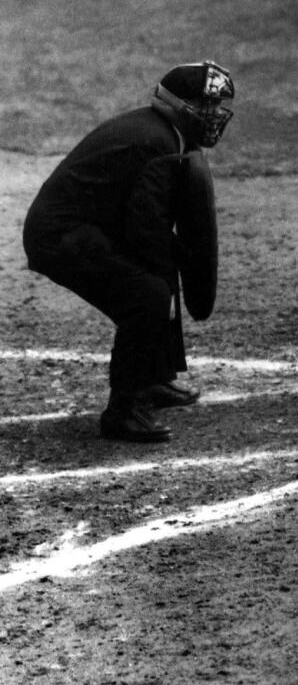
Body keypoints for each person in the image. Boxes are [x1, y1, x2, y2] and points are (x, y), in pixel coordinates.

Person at [23, 61, 235, 443]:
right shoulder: (160, 144)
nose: (214, 114)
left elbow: (141, 222)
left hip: (87, 225)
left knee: (158, 279)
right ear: (177, 105)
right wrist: (171, 269)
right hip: (59, 236)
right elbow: (145, 225)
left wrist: (172, 263)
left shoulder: (163, 135)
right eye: (206, 105)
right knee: (147, 294)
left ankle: (153, 377)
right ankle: (124, 411)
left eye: (217, 105)